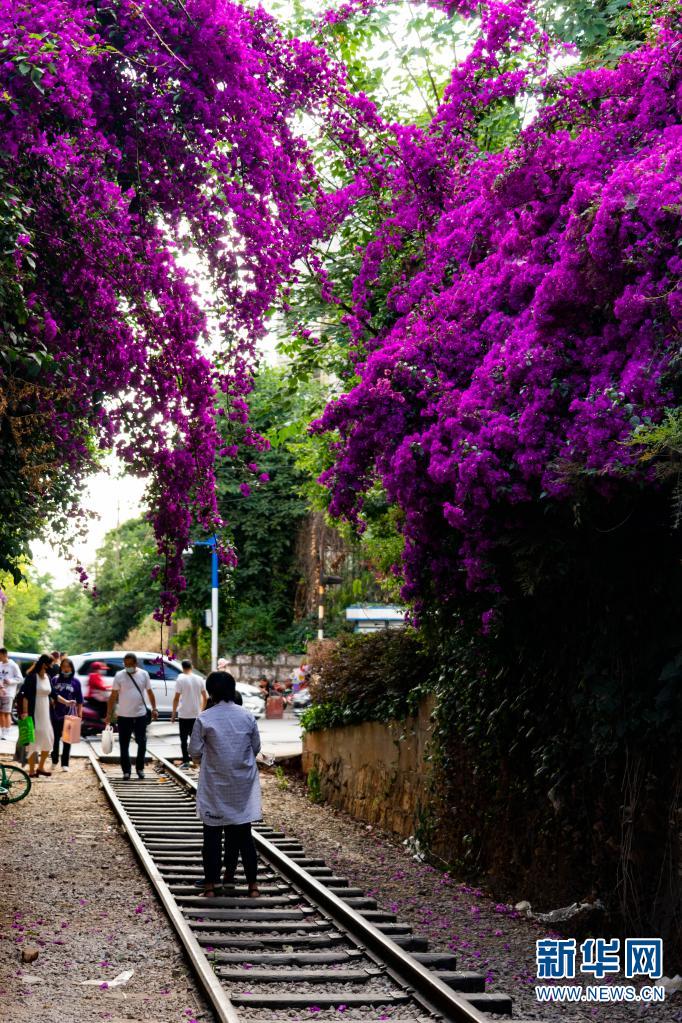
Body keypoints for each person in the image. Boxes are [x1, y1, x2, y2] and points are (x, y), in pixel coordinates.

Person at [189, 671, 262, 899]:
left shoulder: (205, 718)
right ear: (232, 690)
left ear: (211, 692)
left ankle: (210, 886)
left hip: (214, 786)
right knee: (244, 836)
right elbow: (256, 748)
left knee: (211, 835)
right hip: (242, 787)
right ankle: (253, 887)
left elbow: (194, 752)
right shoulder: (247, 716)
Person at [105, 653, 158, 780]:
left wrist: (154, 708)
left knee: (142, 742)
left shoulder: (144, 674)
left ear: (135, 664)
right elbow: (113, 696)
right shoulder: (119, 675)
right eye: (126, 664)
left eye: (130, 664)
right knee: (124, 744)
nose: (128, 666)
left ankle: (140, 768)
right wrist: (108, 714)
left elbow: (150, 692)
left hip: (140, 715)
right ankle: (126, 771)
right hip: (123, 716)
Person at [19, 654, 57, 777]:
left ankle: (40, 767)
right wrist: (25, 713)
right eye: (51, 663)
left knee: (49, 738)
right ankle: (31, 770)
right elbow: (25, 696)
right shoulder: (32, 677)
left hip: (46, 713)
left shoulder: (48, 676)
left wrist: (67, 702)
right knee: (32, 740)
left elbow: (54, 694)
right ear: (45, 664)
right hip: (33, 712)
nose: (53, 666)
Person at [170, 659, 207, 769]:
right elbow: (205, 697)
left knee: (183, 740)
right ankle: (199, 760)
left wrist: (173, 714)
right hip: (196, 714)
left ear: (182, 667)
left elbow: (176, 698)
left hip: (183, 714)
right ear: (192, 666)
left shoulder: (180, 679)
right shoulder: (200, 679)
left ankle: (186, 761)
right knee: (197, 739)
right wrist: (202, 710)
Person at [50, 657, 83, 771]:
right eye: (63, 666)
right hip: (55, 713)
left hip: (70, 714)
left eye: (68, 667)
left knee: (67, 739)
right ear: (60, 668)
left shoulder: (76, 681)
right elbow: (50, 695)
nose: (65, 669)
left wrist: (80, 714)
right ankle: (54, 760)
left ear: (72, 668)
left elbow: (80, 700)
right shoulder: (55, 680)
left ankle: (65, 764)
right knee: (55, 739)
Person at [0, 648, 23, 739]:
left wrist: (10, 681)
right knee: (0, 713)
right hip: (0, 691)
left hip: (9, 693)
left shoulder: (13, 665)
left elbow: (20, 678)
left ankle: (7, 732)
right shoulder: (0, 665)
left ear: (5, 655)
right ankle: (2, 731)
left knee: (6, 712)